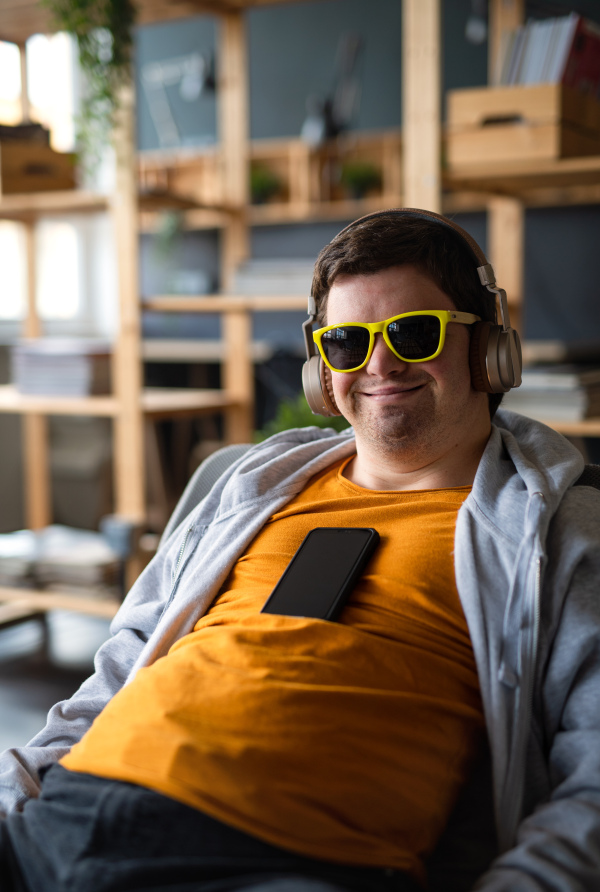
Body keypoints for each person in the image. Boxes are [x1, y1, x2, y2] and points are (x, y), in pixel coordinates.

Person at [1, 208, 600, 892]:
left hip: (276, 860)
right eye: (347, 342)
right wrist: (17, 791)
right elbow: (118, 668)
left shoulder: (562, 531)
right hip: (60, 817)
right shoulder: (252, 489)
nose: (379, 364)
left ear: (489, 347)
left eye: (413, 332)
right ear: (323, 368)